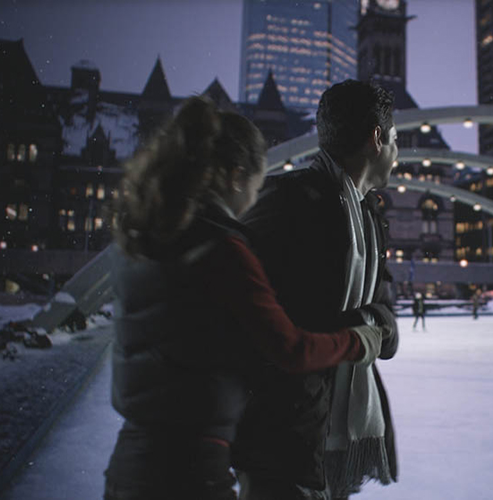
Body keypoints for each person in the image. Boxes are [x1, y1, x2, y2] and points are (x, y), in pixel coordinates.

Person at [103, 96, 387, 500]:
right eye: (255, 186)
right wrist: (358, 341)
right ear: (236, 176)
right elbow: (289, 348)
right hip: (192, 472)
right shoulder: (220, 249)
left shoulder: (136, 241)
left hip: (128, 464)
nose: (252, 202)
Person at [232, 79, 400, 500]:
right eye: (395, 140)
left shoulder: (371, 218)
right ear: (376, 139)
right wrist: (359, 329)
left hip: (336, 437)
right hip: (283, 436)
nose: (398, 154)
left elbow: (384, 319)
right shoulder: (289, 204)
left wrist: (372, 325)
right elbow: (260, 322)